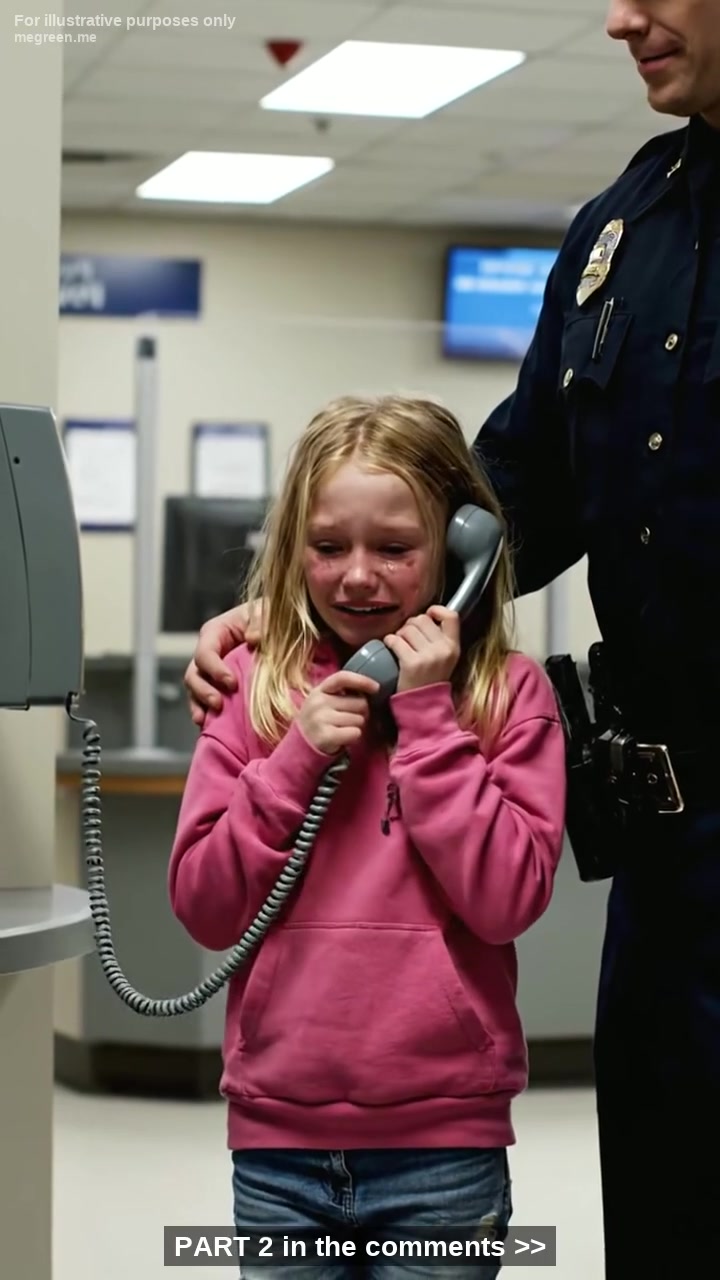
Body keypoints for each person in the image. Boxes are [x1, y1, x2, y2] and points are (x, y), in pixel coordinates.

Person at [183, 5, 720, 1275]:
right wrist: (296, 614)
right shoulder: (627, 225)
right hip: (670, 859)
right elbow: (507, 494)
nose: (619, 18)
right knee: (671, 1212)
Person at [169, 394, 566, 1278]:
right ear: (292, 549)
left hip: (442, 1149)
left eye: (394, 549)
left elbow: (507, 900)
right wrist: (294, 758)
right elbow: (203, 906)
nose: (357, 577)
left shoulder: (507, 696)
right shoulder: (251, 687)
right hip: (278, 1149)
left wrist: (428, 722)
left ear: (461, 553)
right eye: (327, 547)